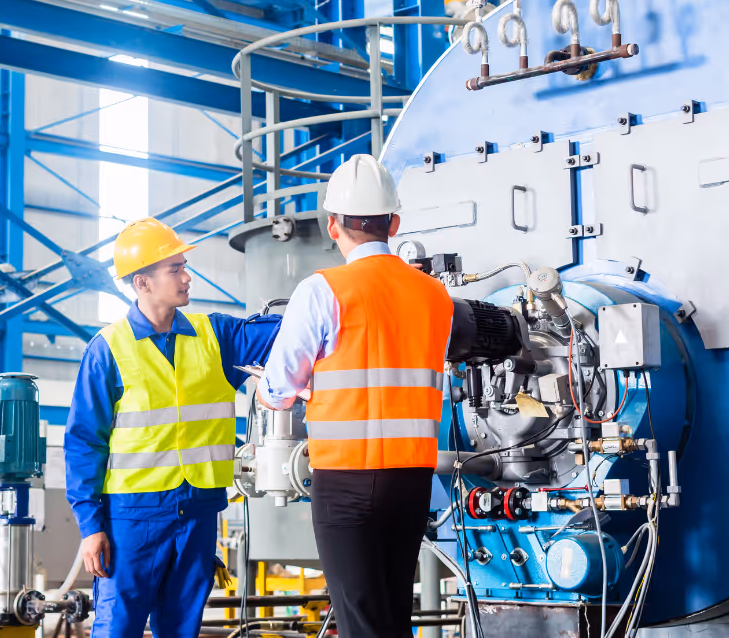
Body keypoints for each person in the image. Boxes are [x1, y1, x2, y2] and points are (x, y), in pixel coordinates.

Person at [256, 154, 454, 638]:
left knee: (360, 620)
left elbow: (279, 388)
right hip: (411, 480)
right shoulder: (436, 296)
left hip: (345, 481)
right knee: (391, 618)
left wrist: (277, 390)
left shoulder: (322, 290)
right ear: (395, 223)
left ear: (332, 226)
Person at [64, 217, 280, 638]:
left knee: (182, 629)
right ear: (142, 282)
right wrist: (91, 527)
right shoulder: (108, 350)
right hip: (131, 518)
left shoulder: (214, 336)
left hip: (198, 513)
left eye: (184, 266)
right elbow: (84, 443)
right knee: (118, 627)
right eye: (175, 270)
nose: (186, 277)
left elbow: (285, 333)